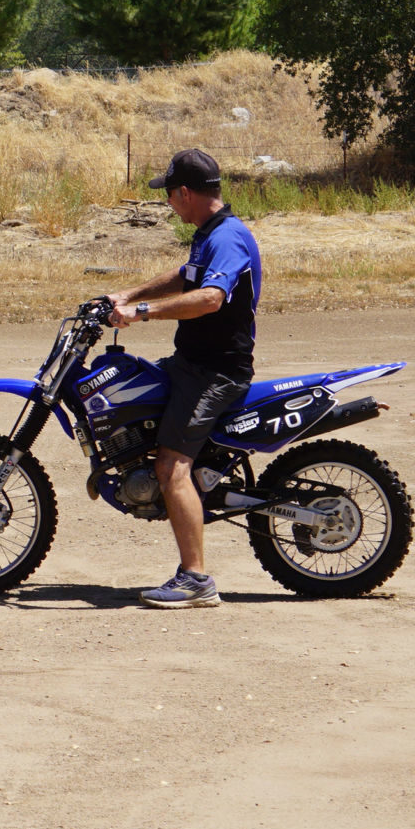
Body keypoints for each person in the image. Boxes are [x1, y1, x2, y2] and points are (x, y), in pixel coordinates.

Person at [103, 148, 263, 608]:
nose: (168, 203)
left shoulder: (228, 237)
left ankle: (196, 580)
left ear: (186, 192)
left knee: (172, 467)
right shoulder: (209, 234)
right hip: (191, 362)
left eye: (170, 194)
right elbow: (186, 277)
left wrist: (141, 312)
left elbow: (211, 297)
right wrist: (127, 292)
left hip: (215, 372)